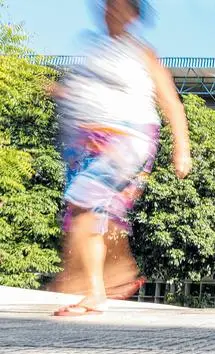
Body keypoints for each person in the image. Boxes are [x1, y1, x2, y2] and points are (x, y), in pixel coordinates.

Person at [50, 0, 191, 316]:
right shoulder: (92, 49)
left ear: (133, 15)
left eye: (118, 6)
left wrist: (182, 148)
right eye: (106, 5)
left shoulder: (142, 53)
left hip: (129, 138)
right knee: (88, 214)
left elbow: (171, 102)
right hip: (88, 144)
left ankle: (98, 289)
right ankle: (110, 278)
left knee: (83, 205)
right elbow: (78, 94)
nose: (109, 11)